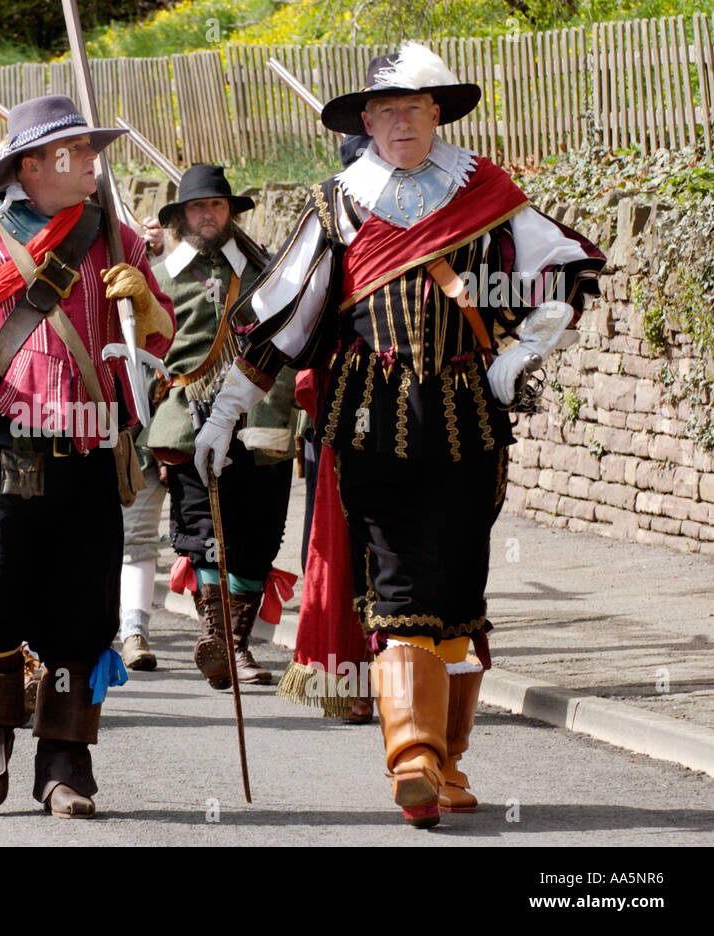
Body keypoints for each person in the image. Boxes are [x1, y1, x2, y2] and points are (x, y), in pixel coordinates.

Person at [194, 43, 604, 827]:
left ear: (437, 113)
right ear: (367, 124)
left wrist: (519, 351)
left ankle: (447, 764)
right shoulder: (338, 204)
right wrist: (225, 413)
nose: (400, 123)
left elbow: (564, 271)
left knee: (460, 590)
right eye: (385, 112)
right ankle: (411, 755)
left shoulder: (488, 194)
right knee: (399, 580)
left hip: (467, 415)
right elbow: (284, 319)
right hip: (368, 417)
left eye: (413, 108)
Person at [0, 94, 174, 819]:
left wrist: (145, 305)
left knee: (81, 618)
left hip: (88, 453)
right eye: (75, 151)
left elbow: (159, 342)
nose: (91, 161)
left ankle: (65, 767)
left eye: (91, 150)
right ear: (32, 163)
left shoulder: (116, 237)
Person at [145, 164, 298, 688]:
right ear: (181, 217)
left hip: (262, 416)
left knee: (256, 535)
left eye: (215, 205)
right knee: (204, 533)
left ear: (229, 212)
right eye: (196, 207)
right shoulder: (159, 278)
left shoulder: (268, 270)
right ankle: (223, 644)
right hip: (188, 418)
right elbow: (145, 354)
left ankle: (235, 645)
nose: (206, 214)